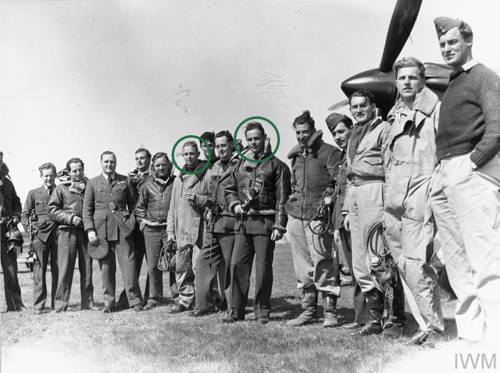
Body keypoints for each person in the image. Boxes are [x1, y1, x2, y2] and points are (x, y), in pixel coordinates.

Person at [430, 17, 500, 343]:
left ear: (468, 41)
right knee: (457, 263)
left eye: (453, 42)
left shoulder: (483, 76)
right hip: (445, 174)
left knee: (485, 260)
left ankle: (497, 337)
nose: (447, 48)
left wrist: (472, 163)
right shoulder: (453, 82)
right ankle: (472, 336)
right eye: (443, 44)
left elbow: (497, 129)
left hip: (470, 172)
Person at [384, 57, 445, 343]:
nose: (407, 82)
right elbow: (388, 159)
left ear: (422, 80)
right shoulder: (394, 114)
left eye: (412, 77)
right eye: (402, 78)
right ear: (396, 82)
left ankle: (433, 327)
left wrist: (436, 187)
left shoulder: (435, 109)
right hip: (394, 195)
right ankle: (424, 323)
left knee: (417, 261)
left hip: (421, 189)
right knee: (401, 262)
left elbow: (444, 151)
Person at [225, 121, 291, 324]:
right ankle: (235, 311)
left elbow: (283, 198)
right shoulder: (238, 164)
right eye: (250, 139)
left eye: (257, 138)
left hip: (265, 222)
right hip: (243, 223)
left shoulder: (277, 166)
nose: (253, 142)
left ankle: (262, 311)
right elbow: (229, 189)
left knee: (263, 269)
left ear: (264, 138)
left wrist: (280, 225)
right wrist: (235, 205)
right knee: (237, 265)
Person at [285, 110, 343, 328]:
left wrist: (327, 199)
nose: (301, 136)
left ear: (313, 130)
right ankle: (308, 311)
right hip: (296, 216)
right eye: (298, 132)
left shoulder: (330, 153)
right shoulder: (296, 157)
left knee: (323, 263)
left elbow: (338, 182)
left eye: (305, 132)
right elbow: (294, 184)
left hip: (318, 218)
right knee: (302, 267)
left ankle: (330, 313)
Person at [342, 90, 393, 335]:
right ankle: (373, 318)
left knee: (377, 255)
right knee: (359, 261)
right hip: (355, 192)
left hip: (375, 188)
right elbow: (349, 171)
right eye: (354, 106)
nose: (359, 110)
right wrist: (346, 207)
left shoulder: (383, 129)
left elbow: (391, 164)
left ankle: (391, 317)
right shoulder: (353, 134)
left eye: (363, 105)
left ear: (373, 106)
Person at [83, 151, 143, 312]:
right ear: (101, 162)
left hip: (123, 229)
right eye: (106, 162)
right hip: (101, 231)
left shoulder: (125, 180)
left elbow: (135, 204)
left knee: (129, 265)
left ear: (116, 163)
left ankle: (135, 300)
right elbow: (87, 209)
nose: (109, 165)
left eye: (112, 162)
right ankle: (109, 302)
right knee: (106, 268)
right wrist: (90, 230)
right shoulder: (92, 183)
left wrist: (130, 223)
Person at [325, 112, 368, 330]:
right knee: (354, 269)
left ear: (351, 129)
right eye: (334, 133)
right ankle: (361, 317)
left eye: (341, 131)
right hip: (342, 220)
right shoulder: (343, 156)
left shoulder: (358, 153)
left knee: (363, 268)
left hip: (357, 216)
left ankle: (371, 316)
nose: (338, 136)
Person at [167, 141, 211, 312]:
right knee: (182, 267)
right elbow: (172, 207)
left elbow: (214, 200)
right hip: (181, 230)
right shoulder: (179, 178)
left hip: (201, 229)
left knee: (199, 267)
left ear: (198, 154)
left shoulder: (206, 174)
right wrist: (170, 231)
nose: (189, 157)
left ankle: (204, 302)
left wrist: (200, 200)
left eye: (192, 153)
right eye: (186, 154)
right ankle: (185, 301)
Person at [48, 158, 95, 311]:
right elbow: (52, 210)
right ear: (68, 172)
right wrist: (70, 218)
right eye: (74, 170)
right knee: (65, 268)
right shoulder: (61, 188)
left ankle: (88, 302)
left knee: (87, 268)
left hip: (85, 232)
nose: (78, 173)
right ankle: (61, 304)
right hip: (66, 232)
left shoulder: (90, 186)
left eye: (80, 169)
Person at [135, 152, 178, 310]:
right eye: (158, 165)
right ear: (153, 166)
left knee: (173, 263)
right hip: (152, 231)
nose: (161, 168)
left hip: (170, 230)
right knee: (153, 265)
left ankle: (177, 296)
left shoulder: (176, 182)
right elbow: (140, 207)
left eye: (164, 164)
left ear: (169, 165)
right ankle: (154, 297)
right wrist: (143, 222)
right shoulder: (147, 184)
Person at [21, 162, 58, 312]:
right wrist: (32, 234)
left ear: (55, 175)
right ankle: (39, 305)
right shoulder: (33, 193)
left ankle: (58, 303)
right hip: (40, 238)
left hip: (58, 235)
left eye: (51, 175)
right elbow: (25, 215)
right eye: (46, 175)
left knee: (59, 269)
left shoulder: (61, 191)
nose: (49, 178)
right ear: (41, 176)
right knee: (39, 270)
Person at [118, 148, 151, 308]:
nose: (139, 161)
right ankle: (129, 297)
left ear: (149, 159)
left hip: (151, 224)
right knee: (133, 263)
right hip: (135, 227)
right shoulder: (129, 178)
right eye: (137, 158)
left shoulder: (155, 175)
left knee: (152, 262)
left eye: (143, 158)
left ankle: (151, 296)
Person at [0, 152, 25, 311]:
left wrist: (16, 216)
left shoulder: (8, 183)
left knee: (11, 269)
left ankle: (15, 305)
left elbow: (17, 203)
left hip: (5, 231)